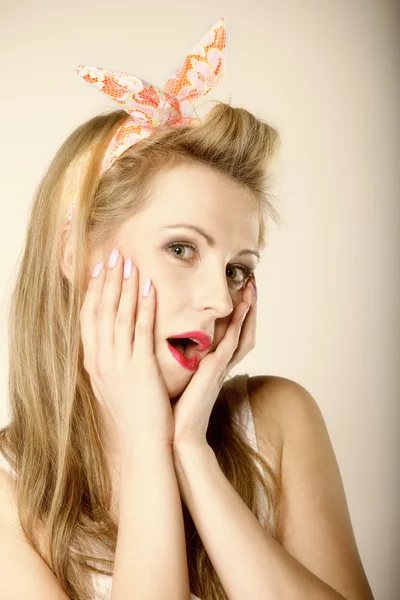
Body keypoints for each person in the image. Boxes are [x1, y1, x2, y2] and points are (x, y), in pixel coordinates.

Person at [0, 16, 374, 600]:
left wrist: (190, 453)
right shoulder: (9, 493)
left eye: (238, 269)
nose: (220, 300)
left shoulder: (280, 422)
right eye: (181, 248)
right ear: (73, 253)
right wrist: (145, 445)